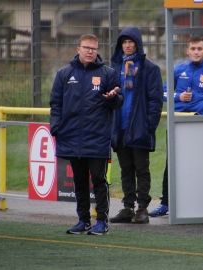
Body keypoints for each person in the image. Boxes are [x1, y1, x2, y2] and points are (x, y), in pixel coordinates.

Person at [50, 34, 124, 235]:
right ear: (78, 48)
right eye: (86, 47)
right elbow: (55, 103)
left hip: (98, 137)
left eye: (94, 48)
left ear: (97, 50)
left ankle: (102, 221)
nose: (90, 51)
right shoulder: (64, 74)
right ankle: (83, 220)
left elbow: (119, 100)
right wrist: (56, 127)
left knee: (99, 181)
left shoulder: (108, 74)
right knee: (80, 182)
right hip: (72, 138)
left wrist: (113, 97)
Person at [149, 36, 203, 217]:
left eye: (199, 49)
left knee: (200, 164)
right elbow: (163, 93)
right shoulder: (177, 70)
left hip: (199, 125)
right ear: (187, 51)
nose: (196, 52)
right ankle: (165, 203)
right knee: (171, 163)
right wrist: (178, 98)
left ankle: (200, 202)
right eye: (193, 49)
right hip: (177, 123)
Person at [109, 27, 163, 224]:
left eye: (131, 41)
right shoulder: (114, 67)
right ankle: (128, 207)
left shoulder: (150, 68)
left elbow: (155, 101)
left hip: (140, 127)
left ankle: (142, 209)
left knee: (141, 168)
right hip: (120, 127)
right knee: (125, 168)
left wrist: (149, 126)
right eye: (124, 42)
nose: (127, 45)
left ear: (138, 43)